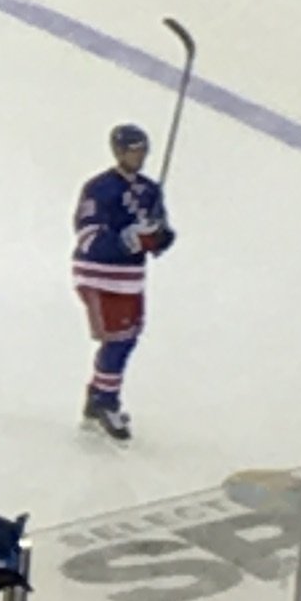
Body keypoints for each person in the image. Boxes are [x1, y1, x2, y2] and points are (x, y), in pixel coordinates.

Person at [73, 122, 176, 440]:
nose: (139, 156)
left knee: (127, 337)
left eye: (142, 150)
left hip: (130, 278)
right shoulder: (99, 188)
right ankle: (106, 401)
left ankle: (97, 396)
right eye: (133, 151)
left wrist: (157, 237)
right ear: (118, 151)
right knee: (117, 339)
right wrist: (126, 240)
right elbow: (88, 234)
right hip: (99, 274)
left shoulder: (150, 189)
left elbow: (164, 235)